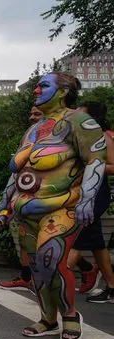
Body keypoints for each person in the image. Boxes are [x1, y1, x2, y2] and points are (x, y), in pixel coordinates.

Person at [0, 72, 106, 339]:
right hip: (26, 209)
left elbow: (96, 161)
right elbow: (19, 171)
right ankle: (48, 318)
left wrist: (87, 199)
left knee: (51, 261)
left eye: (43, 86)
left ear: (62, 91)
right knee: (36, 268)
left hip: (62, 207)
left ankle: (70, 315)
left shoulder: (80, 122)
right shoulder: (34, 129)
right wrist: (4, 205)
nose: (35, 90)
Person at [67, 102, 114, 300]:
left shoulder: (103, 138)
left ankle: (54, 280)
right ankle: (112, 286)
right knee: (96, 244)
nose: (75, 115)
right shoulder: (78, 138)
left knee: (78, 236)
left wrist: (92, 168)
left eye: (81, 113)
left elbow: (113, 165)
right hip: (79, 193)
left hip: (96, 194)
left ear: (92, 119)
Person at [0, 107, 43, 290]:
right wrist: (6, 205)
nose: (32, 117)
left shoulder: (59, 132)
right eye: (31, 113)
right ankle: (27, 277)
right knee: (26, 237)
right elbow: (16, 168)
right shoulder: (31, 133)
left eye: (37, 114)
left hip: (48, 195)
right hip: (26, 194)